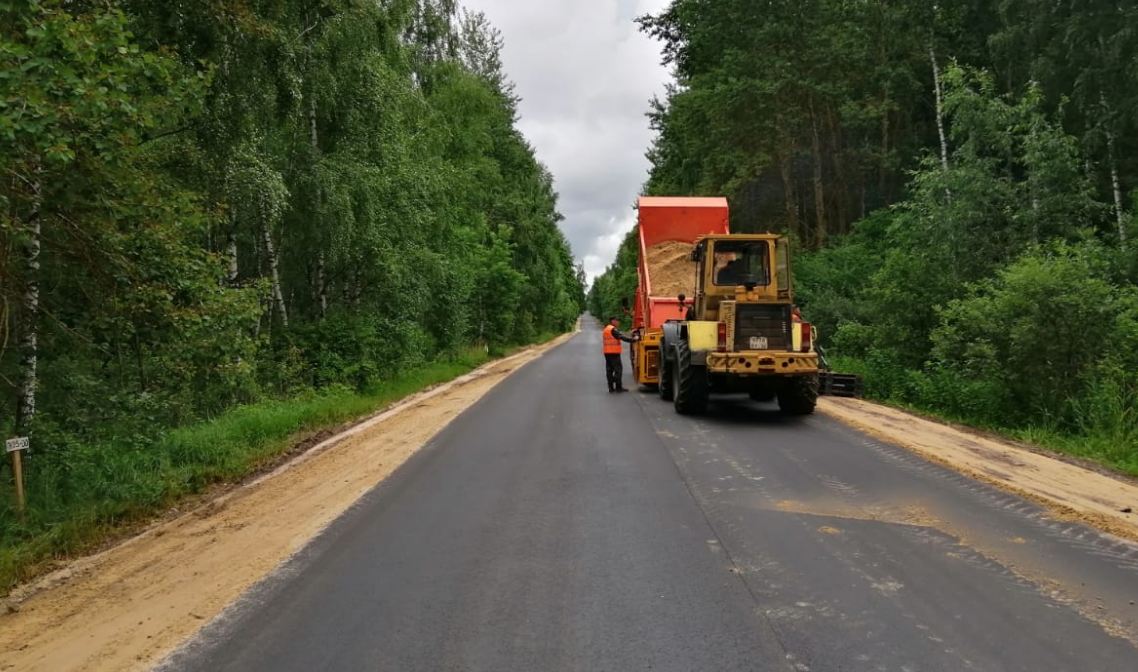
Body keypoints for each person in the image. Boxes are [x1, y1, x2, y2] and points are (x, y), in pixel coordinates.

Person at [603, 316, 638, 393]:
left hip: (607, 353)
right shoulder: (613, 329)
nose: (618, 322)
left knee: (609, 370)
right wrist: (633, 340)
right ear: (613, 321)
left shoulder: (606, 329)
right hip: (614, 353)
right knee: (618, 370)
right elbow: (621, 337)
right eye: (617, 321)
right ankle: (618, 387)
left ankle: (611, 388)